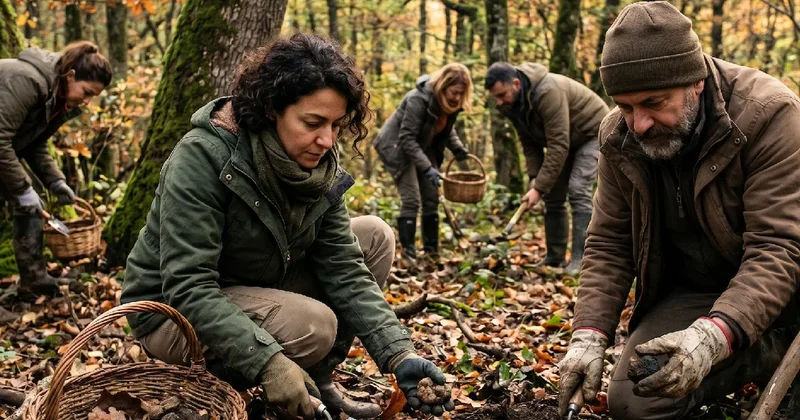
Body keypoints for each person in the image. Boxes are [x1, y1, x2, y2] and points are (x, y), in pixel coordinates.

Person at [120, 34, 453, 420]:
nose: (327, 140)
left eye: (335, 124)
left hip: (257, 284)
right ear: (271, 109)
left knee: (374, 236)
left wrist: (400, 354)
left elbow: (344, 267)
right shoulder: (202, 157)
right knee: (314, 326)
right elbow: (188, 286)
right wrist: (268, 364)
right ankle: (235, 388)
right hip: (173, 311)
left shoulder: (317, 163)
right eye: (313, 122)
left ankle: (318, 382)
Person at [557, 2, 800, 419]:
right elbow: (610, 241)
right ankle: (756, 352)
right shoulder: (618, 134)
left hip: (786, 291)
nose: (639, 124)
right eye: (625, 106)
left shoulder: (770, 115)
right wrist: (588, 334)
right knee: (635, 400)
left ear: (697, 82)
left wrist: (713, 337)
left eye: (654, 102)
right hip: (698, 290)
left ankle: (775, 344)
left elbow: (778, 247)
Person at [0, 41, 111, 321]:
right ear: (71, 75)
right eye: (87, 93)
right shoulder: (26, 81)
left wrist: (55, 182)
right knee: (26, 194)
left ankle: (34, 280)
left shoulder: (57, 100)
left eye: (92, 97)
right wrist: (22, 189)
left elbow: (34, 145)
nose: (87, 102)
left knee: (31, 201)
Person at [484, 62, 609, 276]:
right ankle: (554, 258)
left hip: (593, 133)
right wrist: (535, 178)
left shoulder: (548, 92)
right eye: (495, 97)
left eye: (502, 94)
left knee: (578, 190)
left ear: (515, 83)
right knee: (552, 194)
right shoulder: (511, 104)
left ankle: (581, 259)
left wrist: (539, 187)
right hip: (568, 141)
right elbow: (529, 143)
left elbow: (558, 144)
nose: (499, 101)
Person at [373, 63, 472, 264]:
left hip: (423, 147)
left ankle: (431, 251)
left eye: (461, 94)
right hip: (397, 147)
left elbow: (445, 129)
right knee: (412, 199)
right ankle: (409, 255)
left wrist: (458, 148)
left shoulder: (450, 105)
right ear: (443, 87)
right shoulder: (419, 99)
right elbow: (407, 138)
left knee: (431, 197)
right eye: (454, 92)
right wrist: (427, 168)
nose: (456, 97)